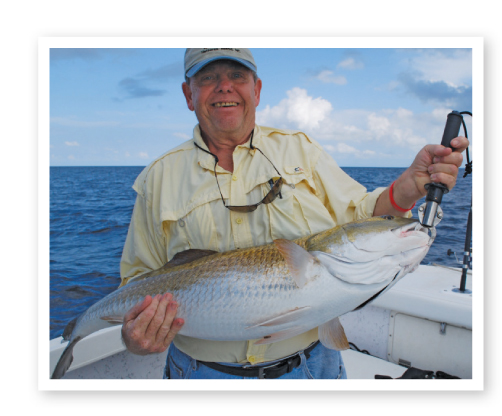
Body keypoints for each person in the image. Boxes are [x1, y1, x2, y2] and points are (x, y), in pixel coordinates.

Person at [119, 48, 469, 379]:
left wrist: (408, 186)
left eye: (237, 76)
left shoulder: (302, 149)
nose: (225, 85)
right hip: (200, 375)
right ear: (187, 94)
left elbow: (360, 216)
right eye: (208, 78)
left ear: (256, 90)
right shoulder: (158, 178)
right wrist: (134, 335)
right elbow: (135, 283)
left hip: (311, 368)